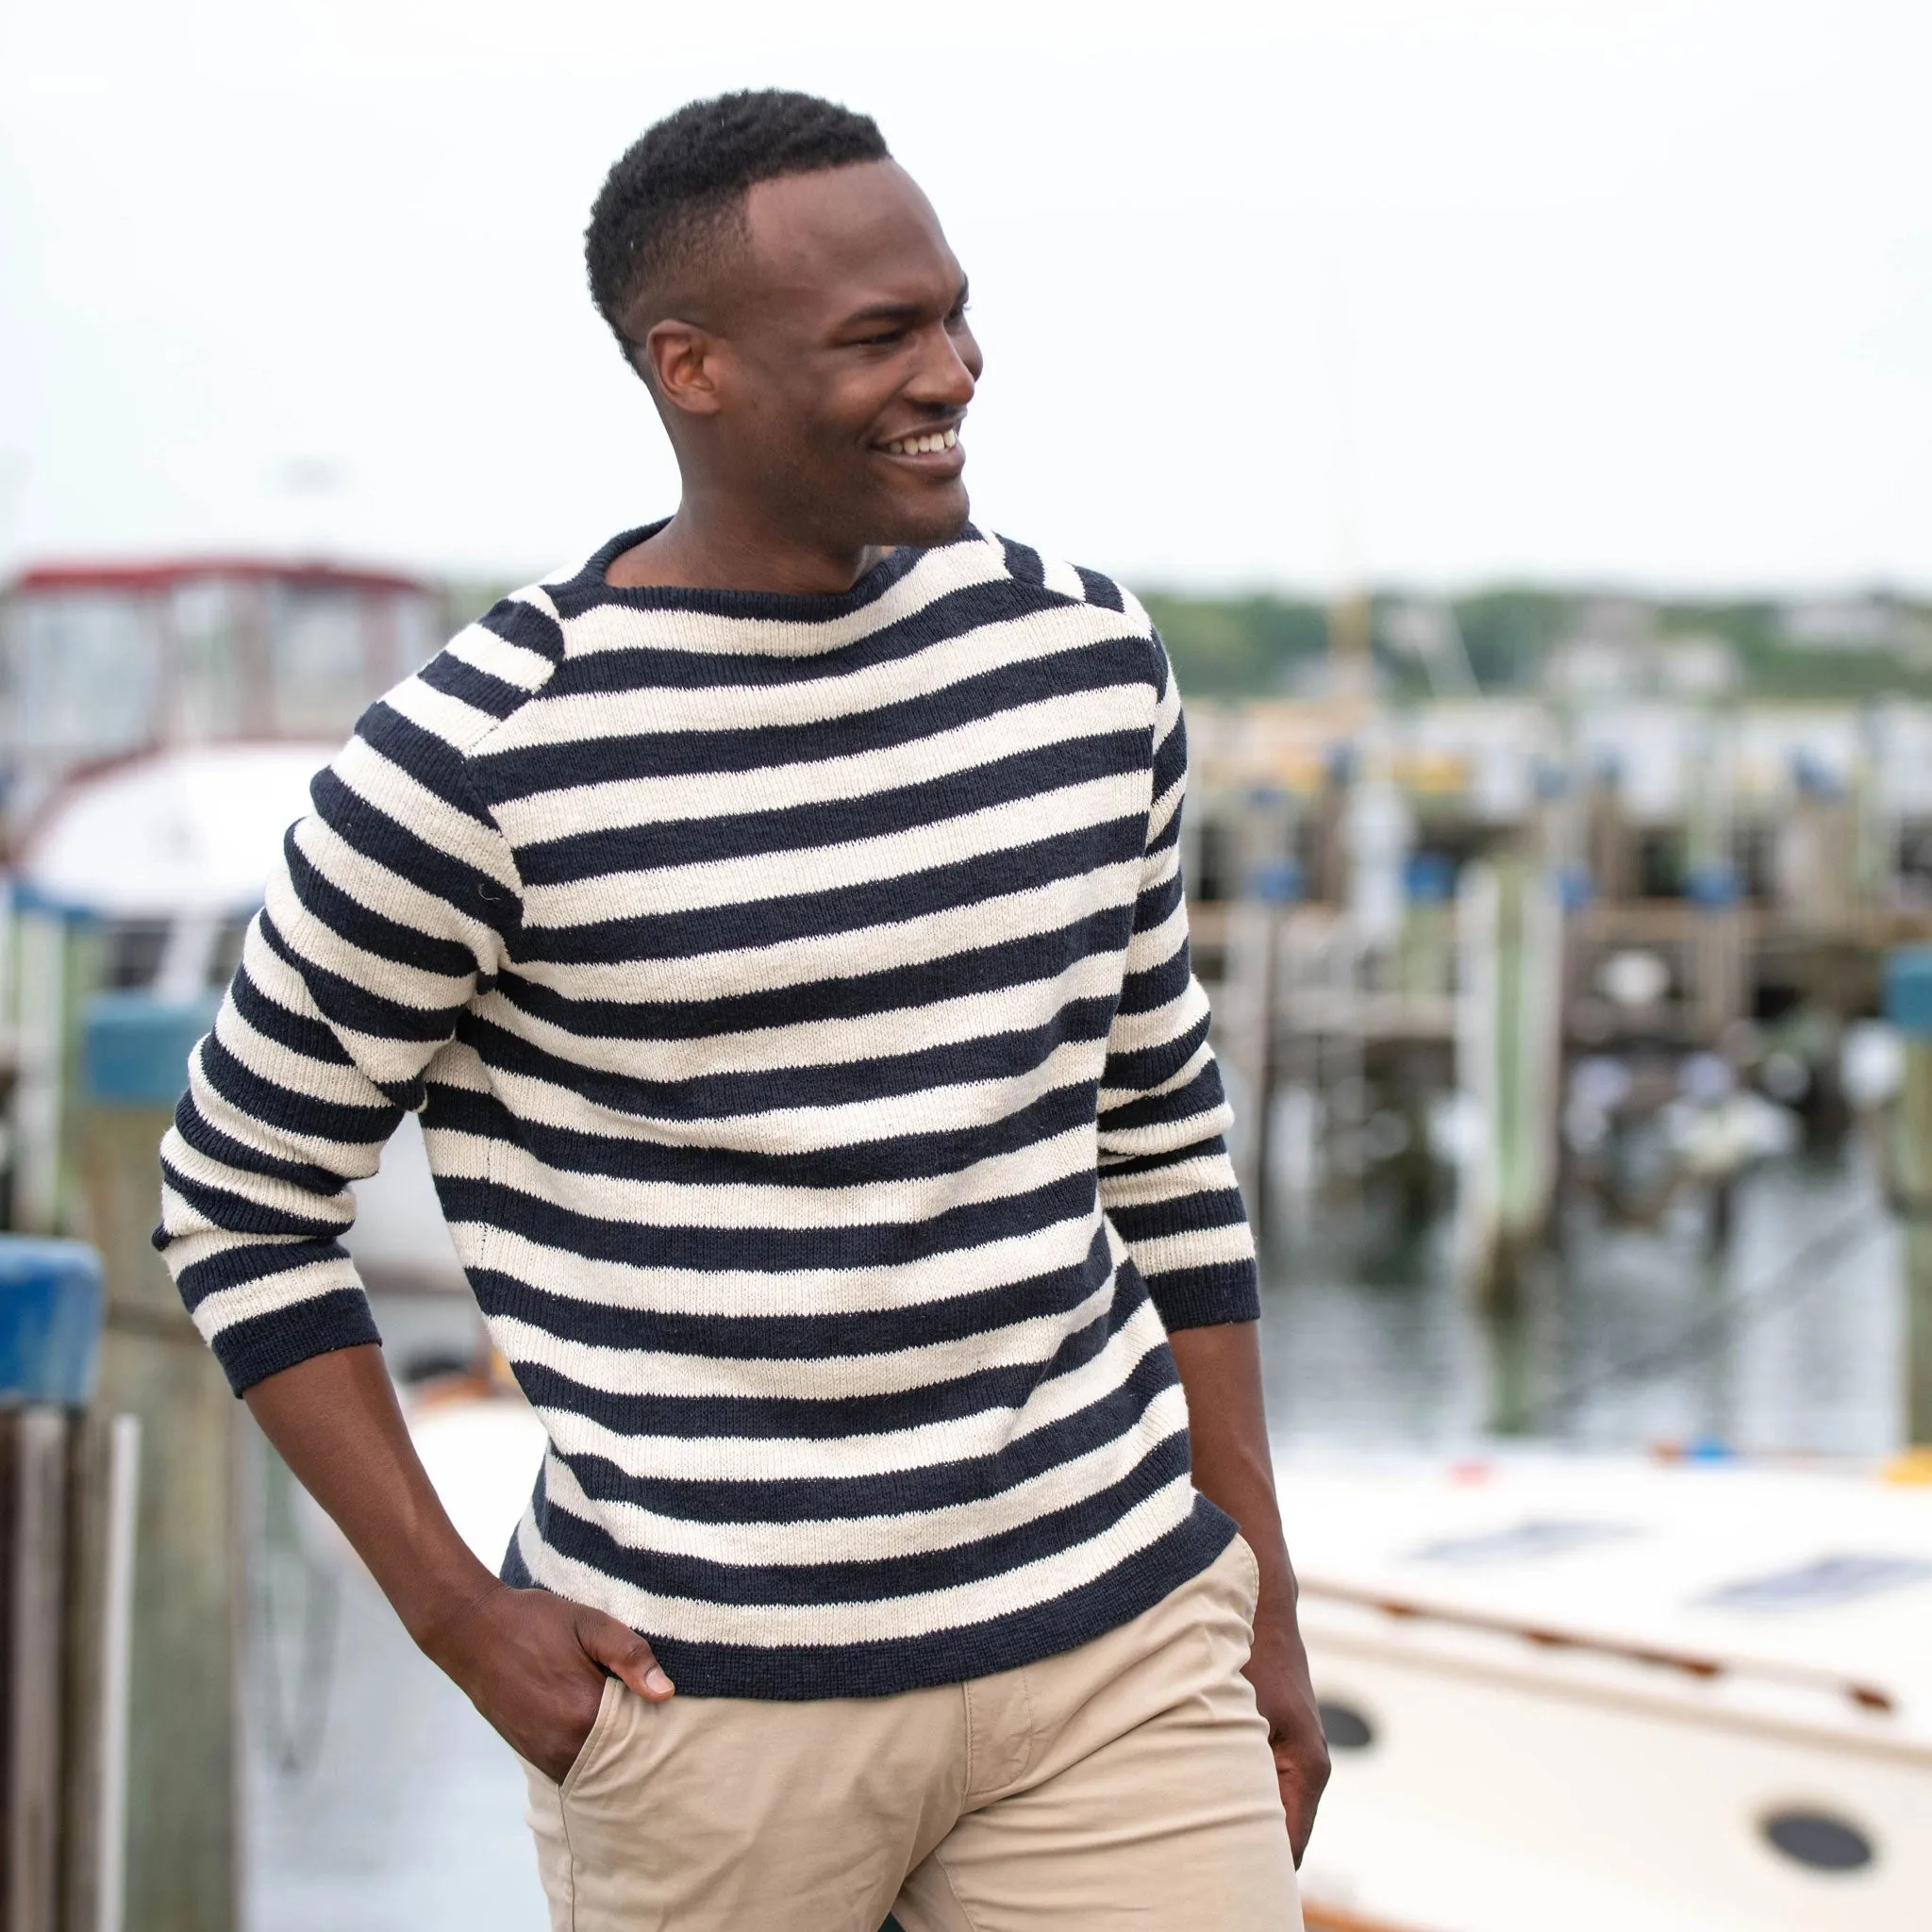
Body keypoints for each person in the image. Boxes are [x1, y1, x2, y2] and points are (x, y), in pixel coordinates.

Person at [156, 87, 1328, 1931]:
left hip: (1117, 1640)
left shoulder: (1085, 662)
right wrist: (461, 1615)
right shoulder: (476, 759)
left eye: (953, 312)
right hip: (706, 1711)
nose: (951, 371)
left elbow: (1161, 1137)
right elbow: (237, 1201)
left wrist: (1254, 1576)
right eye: (880, 336)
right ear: (686, 366)